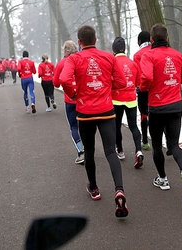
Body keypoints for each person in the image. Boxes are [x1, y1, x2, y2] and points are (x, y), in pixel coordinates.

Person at [60, 25, 128, 218]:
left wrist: (73, 93)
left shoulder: (74, 58)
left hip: (84, 112)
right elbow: (122, 82)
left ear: (79, 42)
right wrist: (107, 88)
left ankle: (95, 188)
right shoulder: (108, 57)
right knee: (110, 151)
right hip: (106, 111)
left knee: (89, 151)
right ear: (96, 40)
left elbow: (65, 79)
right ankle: (119, 190)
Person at [140, 23, 182, 198]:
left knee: (157, 145)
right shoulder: (177, 55)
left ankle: (163, 179)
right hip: (175, 105)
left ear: (151, 39)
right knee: (174, 145)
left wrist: (144, 88)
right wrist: (171, 81)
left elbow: (147, 77)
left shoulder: (148, 55)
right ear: (167, 38)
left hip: (157, 107)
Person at [111, 36, 144, 169]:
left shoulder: (112, 62)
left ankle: (120, 151)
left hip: (116, 99)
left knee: (117, 126)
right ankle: (138, 150)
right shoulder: (133, 63)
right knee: (133, 126)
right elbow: (138, 82)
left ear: (113, 50)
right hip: (131, 99)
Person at [53, 40, 85, 164]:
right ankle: (88, 149)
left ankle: (81, 152)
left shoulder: (62, 63)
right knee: (85, 125)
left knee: (73, 126)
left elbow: (56, 83)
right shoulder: (82, 59)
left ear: (65, 51)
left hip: (70, 100)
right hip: (84, 99)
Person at [133, 31, 152, 151]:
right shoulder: (155, 51)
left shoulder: (138, 55)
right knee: (159, 114)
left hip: (143, 88)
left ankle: (145, 141)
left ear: (139, 41)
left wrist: (137, 87)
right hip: (157, 88)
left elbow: (136, 73)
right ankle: (168, 143)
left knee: (144, 114)